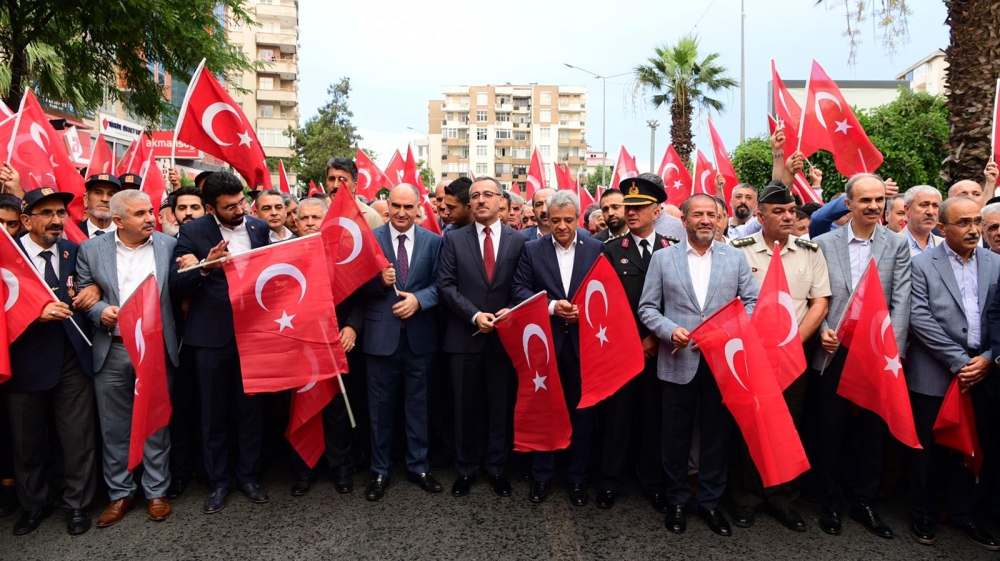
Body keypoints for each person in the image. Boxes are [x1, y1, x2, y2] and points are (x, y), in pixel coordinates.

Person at [638, 193, 759, 537]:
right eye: (698, 215)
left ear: (721, 219)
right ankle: (677, 500)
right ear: (685, 220)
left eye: (712, 215)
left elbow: (751, 302)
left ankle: (709, 503)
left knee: (715, 436)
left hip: (721, 364)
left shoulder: (735, 259)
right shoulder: (663, 259)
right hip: (678, 360)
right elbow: (648, 307)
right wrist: (667, 330)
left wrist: (730, 331)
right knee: (675, 437)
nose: (705, 220)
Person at [811, 173, 910, 539]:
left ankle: (864, 500)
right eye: (864, 200)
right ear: (848, 204)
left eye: (878, 200)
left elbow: (902, 299)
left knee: (871, 430)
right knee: (830, 428)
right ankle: (831, 500)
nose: (873, 206)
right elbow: (814, 297)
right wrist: (821, 331)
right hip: (833, 351)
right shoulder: (822, 243)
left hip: (876, 353)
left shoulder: (896, 245)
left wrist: (891, 351)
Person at [728, 182, 831, 532]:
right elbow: (729, 302)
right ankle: (747, 497)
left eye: (791, 211)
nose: (788, 217)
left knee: (788, 426)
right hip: (750, 357)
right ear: (761, 216)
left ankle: (783, 497)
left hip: (793, 357)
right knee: (750, 426)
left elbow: (820, 302)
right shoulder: (738, 249)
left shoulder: (810, 250)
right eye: (779, 212)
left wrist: (792, 343)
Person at [76, 189, 180, 527]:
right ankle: (120, 494)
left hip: (156, 347)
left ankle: (156, 492)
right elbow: (83, 290)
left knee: (156, 422)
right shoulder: (91, 250)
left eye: (151, 211)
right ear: (118, 221)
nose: (151, 218)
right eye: (140, 214)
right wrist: (100, 311)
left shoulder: (169, 246)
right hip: (114, 347)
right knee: (114, 425)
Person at [169, 172, 271, 514]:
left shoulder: (259, 228)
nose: (239, 210)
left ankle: (249, 477)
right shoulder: (193, 232)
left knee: (250, 411)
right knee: (212, 413)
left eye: (241, 202)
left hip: (254, 335)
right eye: (229, 207)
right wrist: (204, 266)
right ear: (211, 208)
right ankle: (218, 482)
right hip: (212, 339)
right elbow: (176, 284)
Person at [911, 196, 1000, 550]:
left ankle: (966, 515)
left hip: (984, 373)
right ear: (942, 228)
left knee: (975, 449)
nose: (974, 230)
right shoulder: (921, 265)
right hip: (934, 370)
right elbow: (919, 317)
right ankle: (922, 513)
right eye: (963, 223)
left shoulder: (996, 263)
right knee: (927, 450)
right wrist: (959, 361)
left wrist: (990, 358)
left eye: (977, 221)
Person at [7, 188, 97, 536]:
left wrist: (97, 292)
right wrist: (35, 312)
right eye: (46, 213)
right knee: (27, 441)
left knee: (78, 438)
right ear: (26, 220)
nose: (56, 220)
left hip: (73, 356)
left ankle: (77, 505)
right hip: (26, 360)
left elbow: (94, 284)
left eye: (61, 212)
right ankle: (33, 505)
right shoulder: (9, 256)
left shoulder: (76, 251)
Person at [511, 190, 604, 507]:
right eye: (556, 220)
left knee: (583, 414)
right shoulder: (532, 249)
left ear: (578, 219)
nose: (562, 226)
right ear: (546, 219)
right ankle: (542, 476)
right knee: (545, 410)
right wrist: (551, 307)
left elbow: (604, 291)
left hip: (584, 346)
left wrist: (586, 311)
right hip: (546, 343)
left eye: (568, 220)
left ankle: (577, 478)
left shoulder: (595, 248)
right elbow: (519, 289)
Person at [438, 177, 527, 498]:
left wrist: (510, 310)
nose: (480, 201)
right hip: (464, 336)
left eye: (487, 195)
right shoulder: (453, 240)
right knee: (464, 407)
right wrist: (475, 315)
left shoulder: (519, 242)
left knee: (499, 406)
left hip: (505, 339)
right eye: (475, 196)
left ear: (501, 201)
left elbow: (523, 286)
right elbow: (446, 286)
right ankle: (465, 469)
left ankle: (497, 468)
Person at [597, 177, 677, 512]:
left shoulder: (672, 250)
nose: (631, 213)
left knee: (653, 417)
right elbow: (607, 304)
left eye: (640, 207)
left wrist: (656, 338)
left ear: (656, 211)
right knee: (617, 417)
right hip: (624, 348)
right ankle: (610, 481)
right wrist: (635, 339)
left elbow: (678, 300)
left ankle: (652, 483)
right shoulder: (612, 250)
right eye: (628, 207)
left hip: (662, 349)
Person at [361, 183, 443, 501]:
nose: (401, 213)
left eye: (408, 207)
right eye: (396, 206)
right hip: (380, 339)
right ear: (388, 205)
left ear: (418, 207)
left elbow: (442, 284)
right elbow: (354, 284)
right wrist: (378, 282)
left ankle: (418, 466)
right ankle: (380, 471)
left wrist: (419, 301)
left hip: (420, 338)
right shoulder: (372, 241)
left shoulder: (434, 242)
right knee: (380, 410)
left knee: (419, 406)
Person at [287, 196, 363, 497]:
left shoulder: (343, 252)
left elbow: (360, 295)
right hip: (300, 346)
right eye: (303, 218)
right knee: (303, 409)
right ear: (295, 221)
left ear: (326, 219)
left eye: (315, 218)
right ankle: (304, 471)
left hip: (337, 345)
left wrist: (352, 326)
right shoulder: (284, 253)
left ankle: (341, 469)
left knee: (336, 410)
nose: (308, 223)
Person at [325, 157, 383, 230]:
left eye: (342, 180)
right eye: (332, 179)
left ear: (354, 186)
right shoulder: (321, 215)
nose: (335, 185)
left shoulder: (371, 217)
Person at [903, 186, 944, 256]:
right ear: (907, 209)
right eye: (924, 205)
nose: (930, 212)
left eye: (935, 206)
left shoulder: (945, 245)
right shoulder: (890, 244)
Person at [79, 174, 123, 238]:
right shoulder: (73, 234)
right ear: (86, 199)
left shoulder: (130, 235)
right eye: (98, 193)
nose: (105, 199)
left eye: (111, 194)